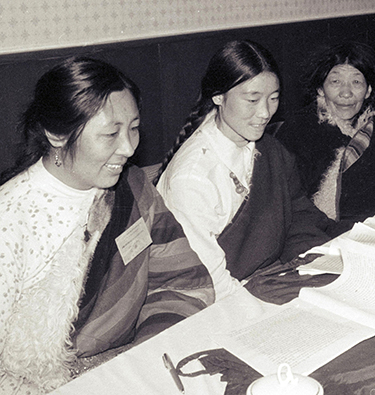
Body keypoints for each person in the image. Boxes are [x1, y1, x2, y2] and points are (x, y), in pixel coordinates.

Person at [0, 57, 214, 394]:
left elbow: (183, 280)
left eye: (134, 128)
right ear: (57, 134)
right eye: (111, 133)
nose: (128, 148)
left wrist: (142, 357)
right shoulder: (11, 218)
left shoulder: (133, 190)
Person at [155, 40, 329, 301]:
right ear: (218, 96)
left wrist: (315, 263)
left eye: (273, 98)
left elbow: (299, 214)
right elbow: (210, 282)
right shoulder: (192, 177)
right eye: (252, 100)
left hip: (273, 275)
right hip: (220, 297)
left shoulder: (268, 148)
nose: (265, 113)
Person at [276, 42, 375, 237]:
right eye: (335, 82)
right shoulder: (298, 131)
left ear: (368, 90)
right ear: (320, 89)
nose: (346, 93)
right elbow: (291, 206)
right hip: (327, 235)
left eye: (356, 82)